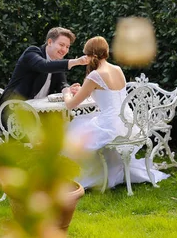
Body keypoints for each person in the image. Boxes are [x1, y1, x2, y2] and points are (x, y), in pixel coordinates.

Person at [64, 36, 169, 190]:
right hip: (128, 123)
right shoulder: (117, 69)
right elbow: (108, 93)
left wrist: (67, 91)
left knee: (73, 128)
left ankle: (90, 173)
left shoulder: (94, 75)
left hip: (110, 125)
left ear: (90, 55)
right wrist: (82, 90)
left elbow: (71, 105)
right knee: (85, 124)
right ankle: (108, 170)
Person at [0, 27, 89, 108]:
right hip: (12, 109)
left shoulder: (56, 62)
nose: (64, 50)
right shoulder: (32, 52)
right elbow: (44, 66)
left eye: (67, 47)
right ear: (49, 42)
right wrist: (77, 61)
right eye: (61, 45)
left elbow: (62, 83)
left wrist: (68, 90)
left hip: (39, 111)